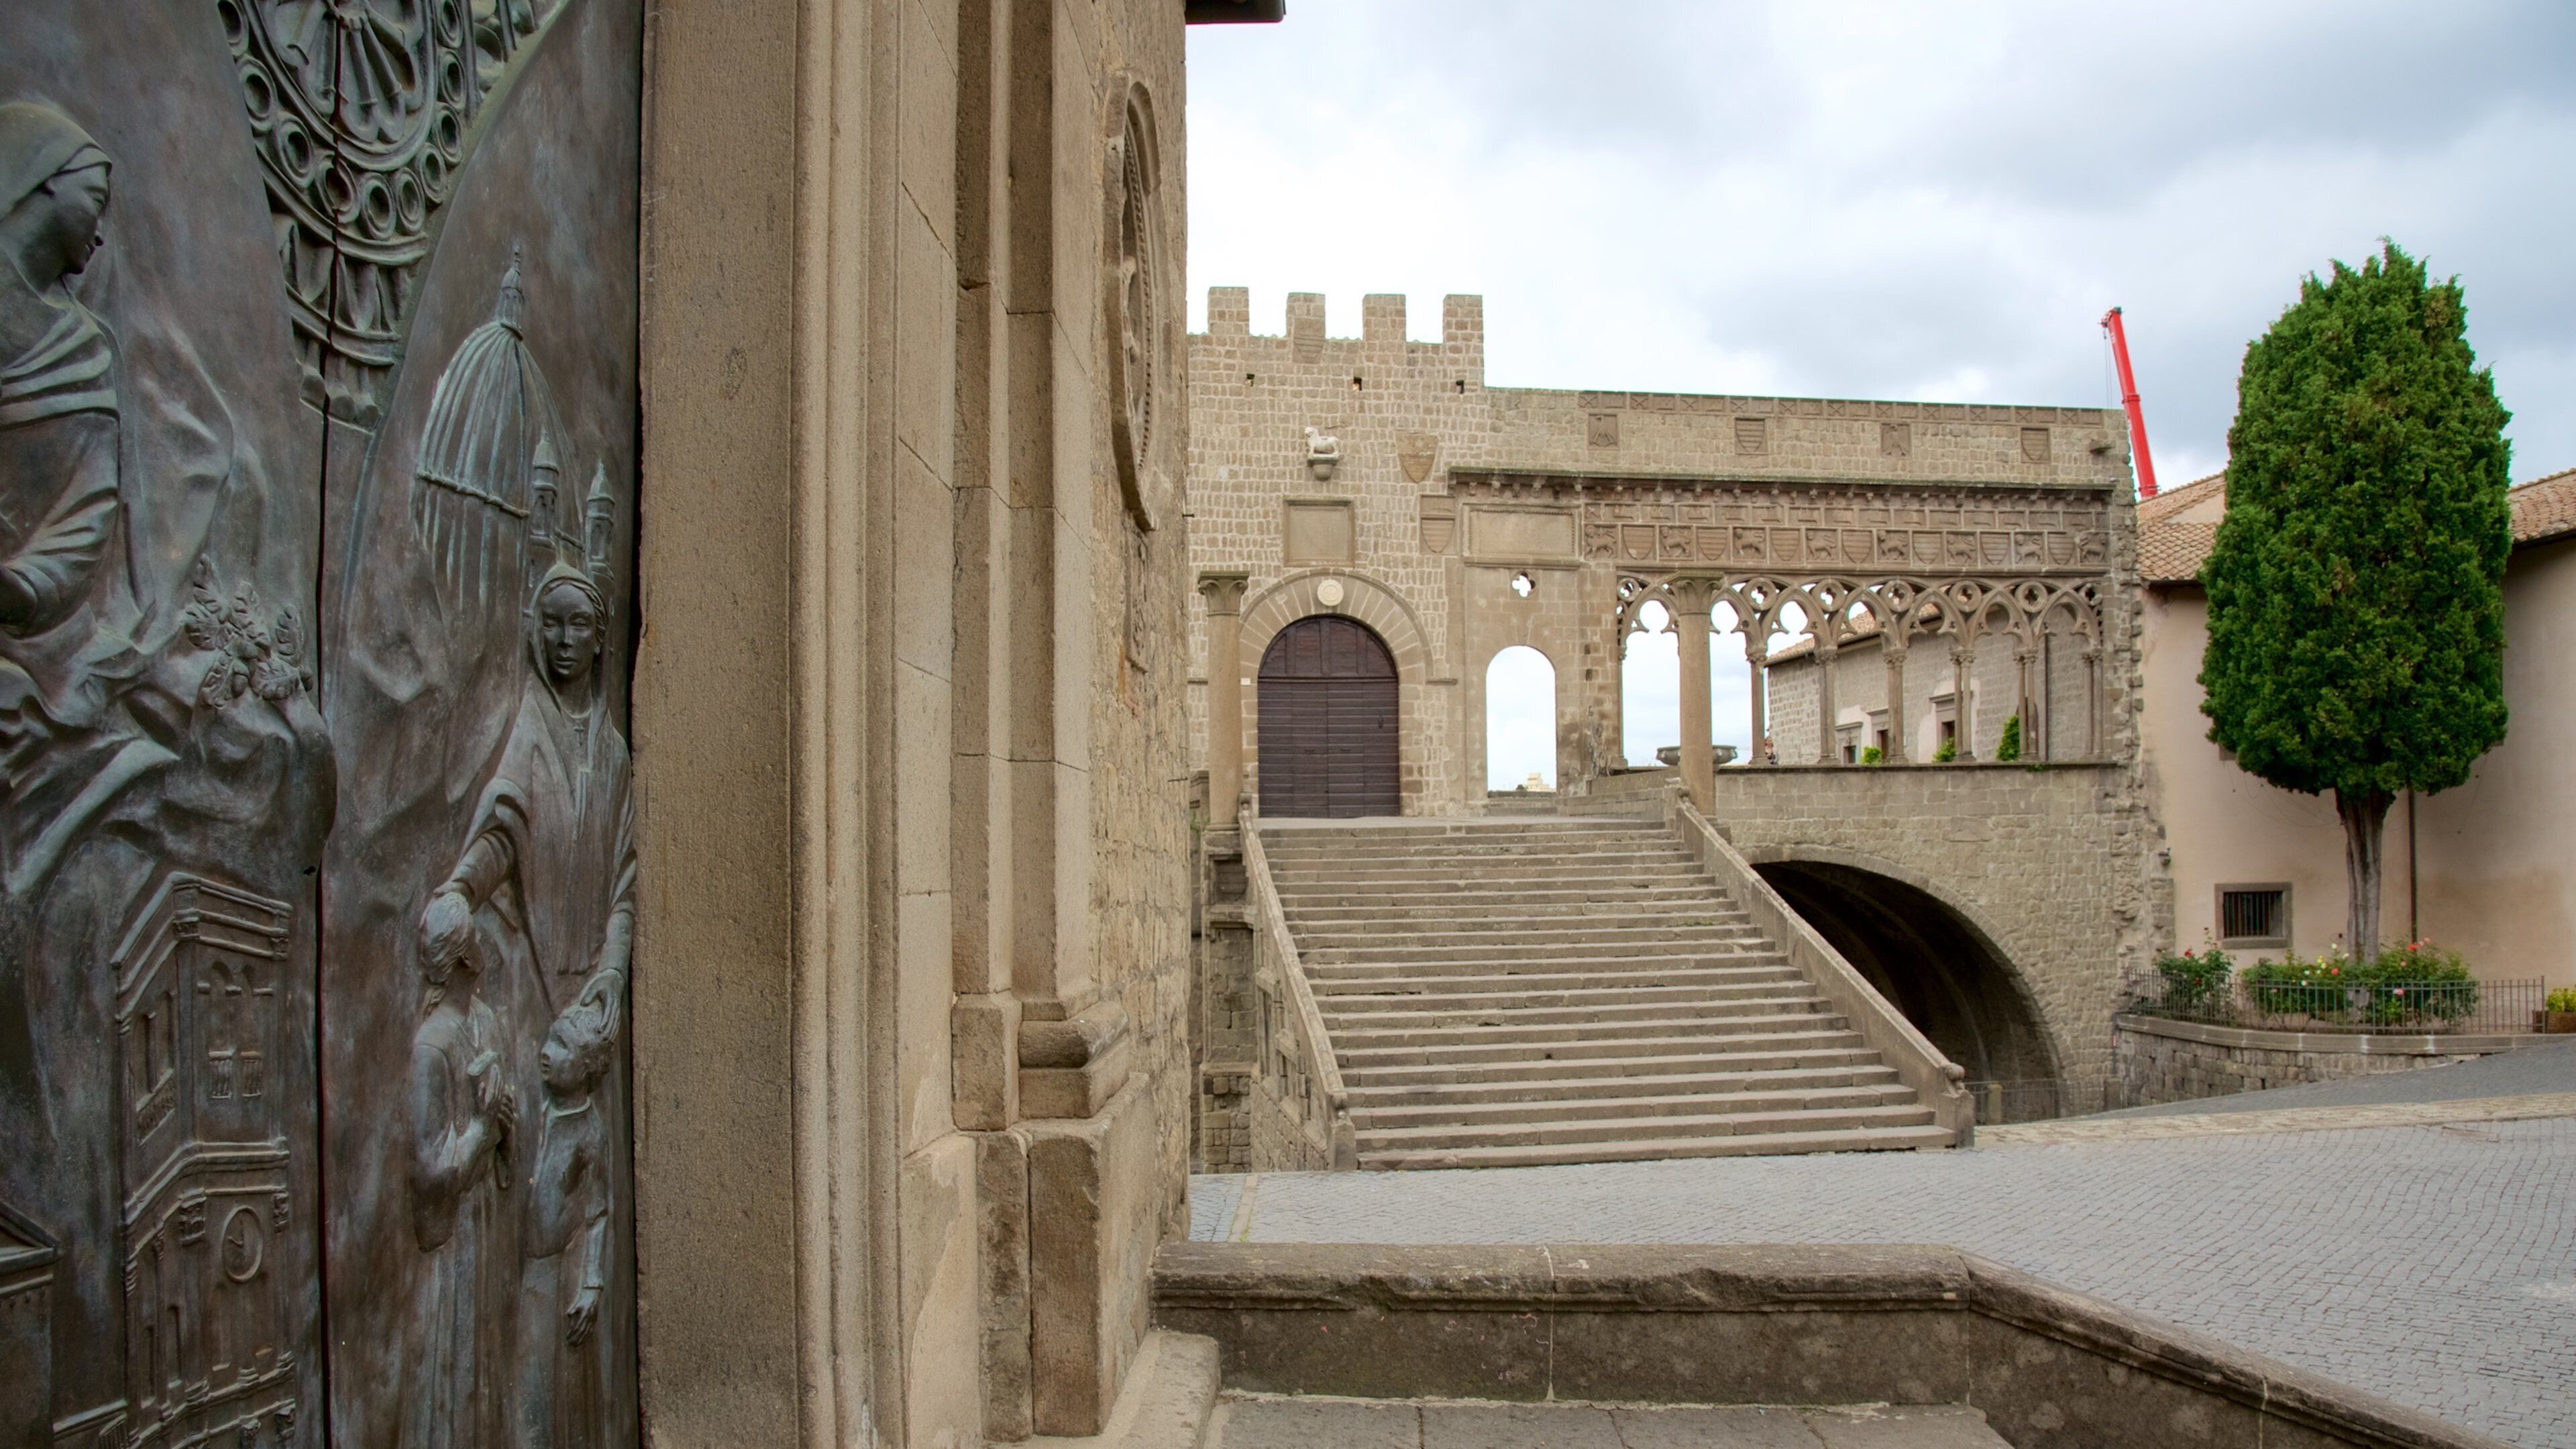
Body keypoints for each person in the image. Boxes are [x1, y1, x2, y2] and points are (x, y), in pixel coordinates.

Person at [0, 101, 160, 894]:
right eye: (94, 200)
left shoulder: (85, 346)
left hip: (46, 628)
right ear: (39, 183)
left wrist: (19, 587)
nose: (100, 232)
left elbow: (89, 511)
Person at [403, 906, 518, 1449]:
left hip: (487, 1218)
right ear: (465, 956)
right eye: (476, 938)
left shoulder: (487, 1020)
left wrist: (506, 1121)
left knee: (487, 1355)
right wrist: (479, 1127)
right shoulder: (432, 1046)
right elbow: (431, 1170)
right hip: (454, 1238)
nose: (484, 946)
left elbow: (503, 1119)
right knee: (455, 1359)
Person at [516, 994, 613, 1449]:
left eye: (562, 1046)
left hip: (555, 1275)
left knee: (545, 1383)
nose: (546, 1052)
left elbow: (597, 1212)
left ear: (589, 1068)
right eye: (550, 1040)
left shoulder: (590, 1132)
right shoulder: (535, 1110)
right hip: (522, 1266)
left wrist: (592, 1280)